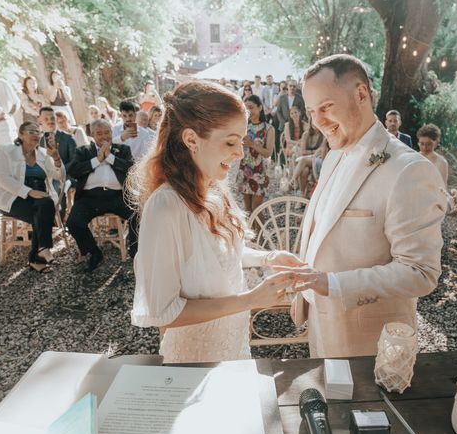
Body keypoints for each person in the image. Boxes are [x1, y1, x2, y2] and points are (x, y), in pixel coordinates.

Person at [129, 80, 314, 363]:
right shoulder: (166, 207)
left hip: (233, 346)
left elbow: (217, 255)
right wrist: (250, 300)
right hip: (195, 358)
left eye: (241, 141)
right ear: (191, 139)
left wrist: (269, 257)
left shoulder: (213, 191)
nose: (240, 152)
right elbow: (164, 311)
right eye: (230, 142)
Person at [287, 54, 447, 358]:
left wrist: (332, 284)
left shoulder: (409, 169)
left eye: (325, 107)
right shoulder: (334, 155)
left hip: (369, 344)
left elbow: (420, 271)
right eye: (311, 111)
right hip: (321, 331)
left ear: (361, 94)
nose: (317, 122)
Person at [0, 121, 65, 272]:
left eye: (38, 132)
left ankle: (38, 255)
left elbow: (59, 175)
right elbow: (2, 177)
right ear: (20, 135)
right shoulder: (6, 150)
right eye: (31, 131)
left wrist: (56, 158)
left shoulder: (43, 154)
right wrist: (28, 191)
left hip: (39, 197)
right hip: (11, 197)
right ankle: (41, 252)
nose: (36, 135)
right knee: (42, 213)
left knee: (45, 205)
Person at [66, 119, 137, 271]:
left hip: (118, 196)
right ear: (92, 135)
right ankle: (94, 252)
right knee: (74, 223)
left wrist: (109, 157)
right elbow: (73, 170)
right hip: (89, 198)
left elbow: (131, 169)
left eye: (107, 132)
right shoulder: (83, 151)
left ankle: (135, 251)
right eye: (99, 133)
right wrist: (97, 160)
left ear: (112, 133)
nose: (104, 136)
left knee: (138, 214)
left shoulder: (123, 149)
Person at [236, 95, 275, 215]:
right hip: (244, 171)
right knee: (247, 209)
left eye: (251, 107)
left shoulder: (269, 129)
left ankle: (261, 234)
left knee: (257, 209)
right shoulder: (243, 127)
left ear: (260, 108)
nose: (248, 111)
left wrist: (252, 144)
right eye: (246, 108)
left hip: (260, 173)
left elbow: (268, 153)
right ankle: (252, 234)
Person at [293, 118, 327, 197]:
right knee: (305, 170)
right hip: (310, 159)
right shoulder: (306, 134)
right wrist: (314, 152)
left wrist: (313, 153)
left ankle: (293, 180)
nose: (314, 124)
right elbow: (302, 152)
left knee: (303, 160)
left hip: (319, 160)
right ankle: (303, 194)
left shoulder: (324, 135)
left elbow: (321, 152)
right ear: (311, 123)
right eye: (313, 122)